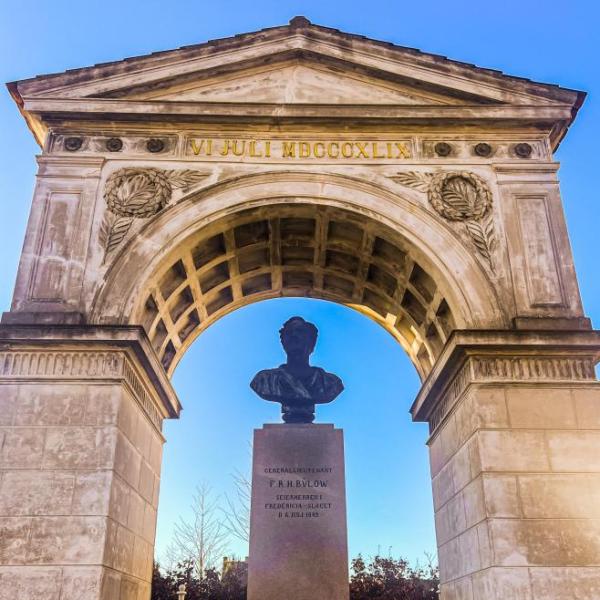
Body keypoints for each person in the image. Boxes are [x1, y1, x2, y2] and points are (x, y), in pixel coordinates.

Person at [250, 316, 344, 423]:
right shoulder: (264, 380)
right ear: (283, 342)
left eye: (300, 332)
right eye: (290, 333)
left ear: (312, 342)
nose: (295, 335)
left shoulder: (330, 383)